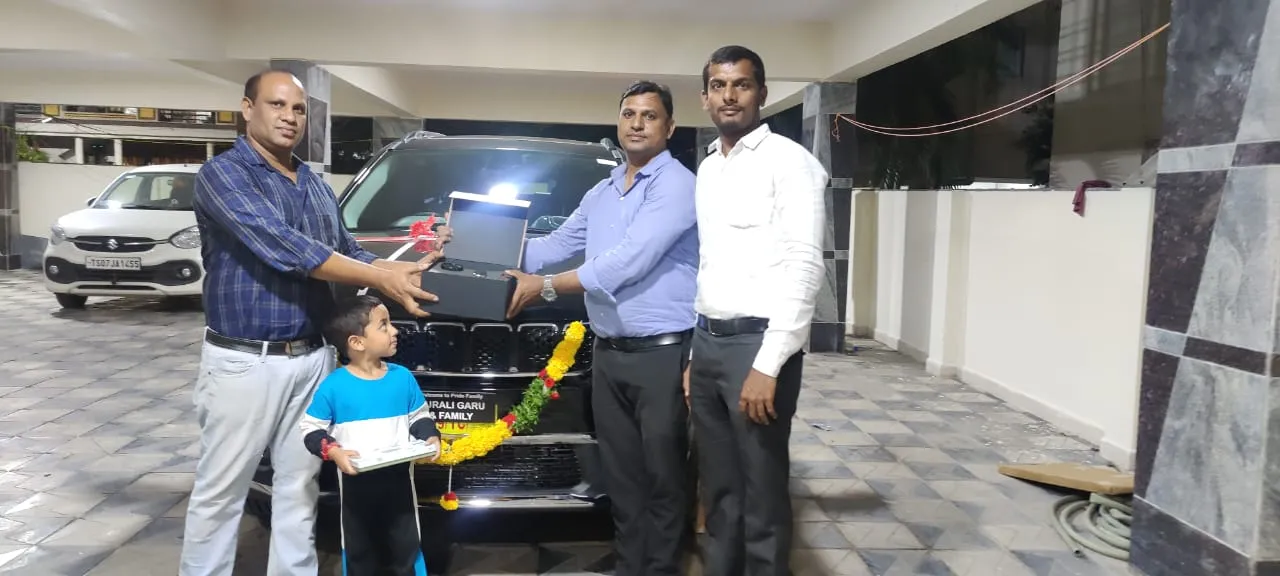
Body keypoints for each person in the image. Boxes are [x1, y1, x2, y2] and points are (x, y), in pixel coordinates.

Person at [180, 69, 447, 576]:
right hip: (245, 362)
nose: (289, 117)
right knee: (222, 491)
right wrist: (380, 276)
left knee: (298, 487)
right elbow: (288, 248)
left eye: (299, 109)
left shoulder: (315, 185)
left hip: (311, 359)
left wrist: (402, 269)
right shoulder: (224, 175)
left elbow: (348, 252)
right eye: (277, 105)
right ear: (248, 109)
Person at [502, 80, 699, 576]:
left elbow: (627, 262)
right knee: (623, 478)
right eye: (629, 113)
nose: (637, 123)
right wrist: (473, 243)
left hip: (662, 355)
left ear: (669, 127)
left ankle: (661, 569)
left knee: (664, 477)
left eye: (649, 115)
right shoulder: (603, 190)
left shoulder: (677, 185)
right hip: (609, 354)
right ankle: (631, 566)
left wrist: (547, 287)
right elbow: (553, 245)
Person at [688, 45, 828, 576]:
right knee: (719, 490)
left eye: (741, 85)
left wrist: (768, 365)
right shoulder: (708, 169)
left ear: (761, 93)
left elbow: (805, 267)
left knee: (762, 492)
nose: (729, 96)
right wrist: (695, 355)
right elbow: (708, 264)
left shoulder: (790, 162)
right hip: (708, 344)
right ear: (705, 97)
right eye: (718, 86)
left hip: (758, 345)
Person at [299, 294, 443, 575]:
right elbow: (310, 428)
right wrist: (333, 451)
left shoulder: (403, 378)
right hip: (356, 487)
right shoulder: (334, 386)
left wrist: (429, 436)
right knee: (359, 550)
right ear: (357, 342)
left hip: (399, 482)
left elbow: (420, 417)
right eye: (384, 325)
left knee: (406, 546)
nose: (395, 331)